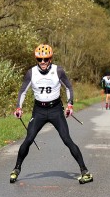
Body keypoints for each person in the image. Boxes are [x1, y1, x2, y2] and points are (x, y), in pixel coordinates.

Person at [9, 44, 93, 184]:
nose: (42, 62)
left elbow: (69, 87)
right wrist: (19, 107)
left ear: (50, 59)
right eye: (39, 59)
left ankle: (85, 171)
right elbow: (22, 91)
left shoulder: (58, 71)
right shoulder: (31, 73)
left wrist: (70, 104)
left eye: (45, 59)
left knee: (67, 140)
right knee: (29, 139)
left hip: (55, 110)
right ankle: (16, 169)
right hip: (39, 111)